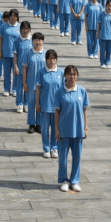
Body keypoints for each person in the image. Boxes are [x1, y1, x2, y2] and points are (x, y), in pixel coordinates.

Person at [55, 64, 89, 193]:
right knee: (62, 157)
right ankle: (64, 180)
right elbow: (57, 112)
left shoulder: (82, 91)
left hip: (78, 130)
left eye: (74, 74)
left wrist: (86, 128)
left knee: (77, 156)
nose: (72, 77)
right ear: (65, 75)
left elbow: (85, 110)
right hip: (64, 130)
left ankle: (74, 180)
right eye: (70, 74)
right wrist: (57, 129)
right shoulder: (59, 92)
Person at [35, 49, 62, 158]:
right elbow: (38, 89)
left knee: (56, 128)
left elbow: (63, 89)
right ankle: (46, 148)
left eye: (54, 59)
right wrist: (37, 103)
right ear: (46, 59)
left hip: (57, 107)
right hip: (45, 105)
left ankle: (54, 148)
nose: (52, 61)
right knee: (45, 129)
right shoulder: (41, 72)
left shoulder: (61, 72)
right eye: (50, 59)